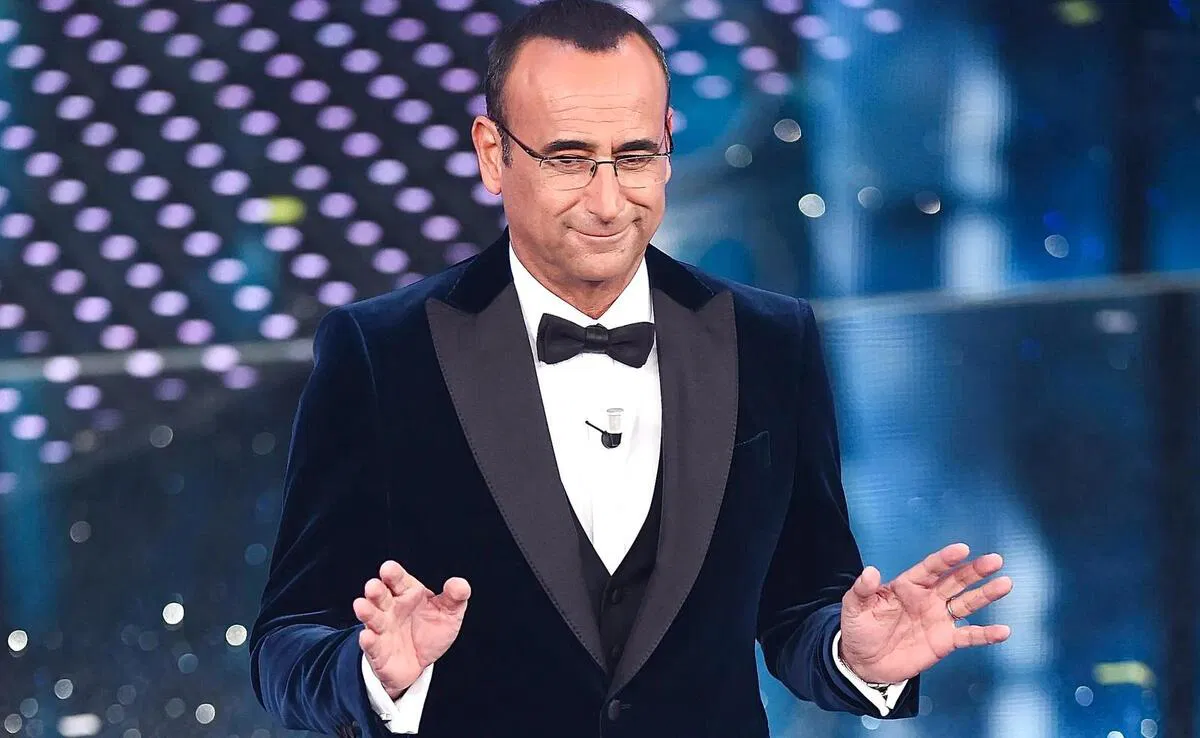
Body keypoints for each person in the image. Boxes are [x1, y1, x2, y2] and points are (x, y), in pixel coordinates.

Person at [247, 1, 1013, 736]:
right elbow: (286, 644)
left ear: (669, 142)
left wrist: (853, 657)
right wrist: (372, 672)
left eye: (635, 156)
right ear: (492, 153)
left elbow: (798, 608)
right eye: (569, 159)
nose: (608, 202)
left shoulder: (770, 341)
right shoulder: (382, 353)